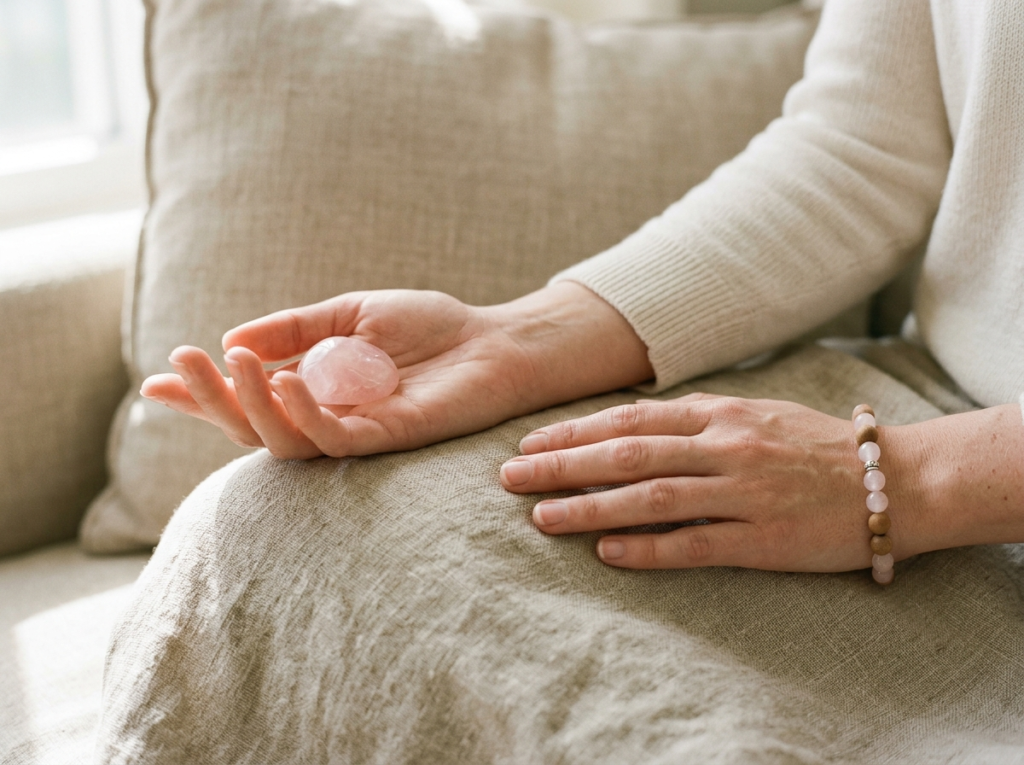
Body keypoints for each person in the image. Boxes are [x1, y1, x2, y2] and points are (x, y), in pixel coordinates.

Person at [140, 0, 1023, 575]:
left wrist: (909, 482)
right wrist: (520, 338)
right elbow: (861, 151)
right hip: (921, 397)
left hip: (964, 487)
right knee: (282, 530)